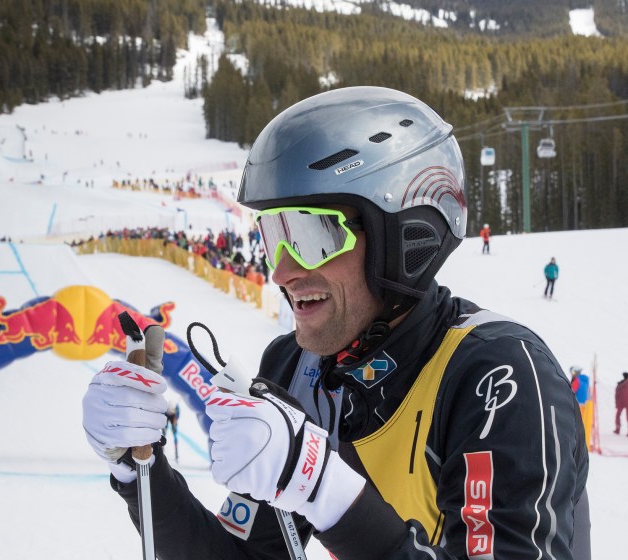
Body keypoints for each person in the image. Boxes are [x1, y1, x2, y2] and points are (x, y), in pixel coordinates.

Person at [82, 87, 590, 559]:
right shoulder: (297, 367)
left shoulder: (498, 377)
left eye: (309, 233)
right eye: (272, 233)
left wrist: (323, 487)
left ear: (404, 237)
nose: (281, 270)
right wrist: (139, 469)